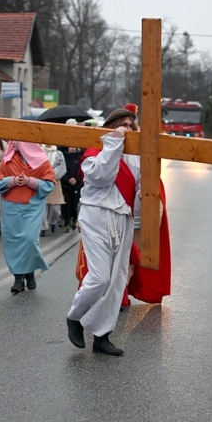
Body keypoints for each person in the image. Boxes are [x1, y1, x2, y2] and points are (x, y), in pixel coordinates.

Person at [66, 108, 140, 356]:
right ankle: (75, 317)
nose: (127, 129)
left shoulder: (136, 157)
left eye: (131, 125)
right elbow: (101, 177)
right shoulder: (94, 152)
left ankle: (102, 336)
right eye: (123, 124)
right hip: (96, 214)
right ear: (112, 126)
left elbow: (138, 193)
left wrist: (142, 198)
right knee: (100, 278)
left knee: (117, 280)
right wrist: (114, 144)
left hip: (122, 218)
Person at [0, 141, 56, 293]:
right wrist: (12, 181)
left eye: (17, 140)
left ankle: (30, 272)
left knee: (29, 239)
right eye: (11, 140)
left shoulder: (42, 161)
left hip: (32, 206)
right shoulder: (7, 160)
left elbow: (50, 183)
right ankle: (18, 278)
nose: (13, 143)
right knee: (12, 242)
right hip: (10, 206)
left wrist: (30, 181)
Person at [40, 143, 66, 236]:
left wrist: (52, 174)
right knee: (43, 206)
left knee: (55, 207)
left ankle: (53, 221)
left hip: (54, 181)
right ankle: (43, 228)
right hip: (42, 181)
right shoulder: (39, 151)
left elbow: (62, 166)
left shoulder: (58, 153)